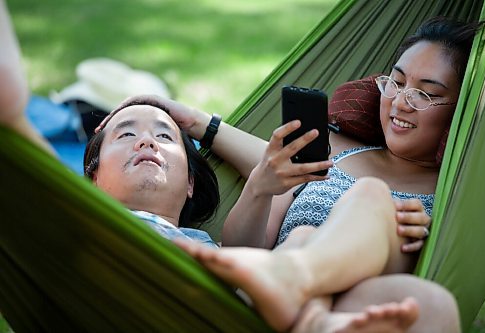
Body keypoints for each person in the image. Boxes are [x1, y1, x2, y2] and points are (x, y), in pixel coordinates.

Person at [0, 1, 461, 332]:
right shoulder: (333, 148)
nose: (401, 100)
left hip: (330, 287)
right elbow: (268, 170)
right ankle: (306, 301)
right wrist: (192, 122)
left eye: (427, 92)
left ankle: (305, 297)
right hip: (260, 290)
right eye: (395, 82)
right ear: (92, 178)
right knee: (326, 222)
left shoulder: (461, 188)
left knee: (432, 301)